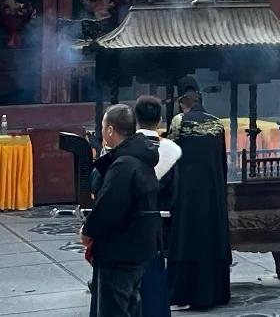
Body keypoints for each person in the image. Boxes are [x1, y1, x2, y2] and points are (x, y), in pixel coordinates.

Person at [81, 103, 160, 317]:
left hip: (120, 250)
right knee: (131, 306)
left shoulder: (124, 165)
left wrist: (88, 231)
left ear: (110, 130)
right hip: (137, 247)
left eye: (103, 126)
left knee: (114, 309)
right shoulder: (140, 158)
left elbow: (109, 208)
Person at [165, 77, 231, 309]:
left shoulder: (179, 122)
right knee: (211, 239)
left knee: (187, 240)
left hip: (187, 197)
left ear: (182, 101)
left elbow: (169, 158)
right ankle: (215, 294)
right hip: (212, 194)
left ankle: (185, 294)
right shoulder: (217, 123)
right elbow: (222, 163)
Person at [135, 95, 181, 317]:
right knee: (154, 279)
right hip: (159, 222)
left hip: (130, 224)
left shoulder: (125, 147)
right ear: (160, 120)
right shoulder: (171, 150)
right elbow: (174, 192)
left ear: (136, 118)